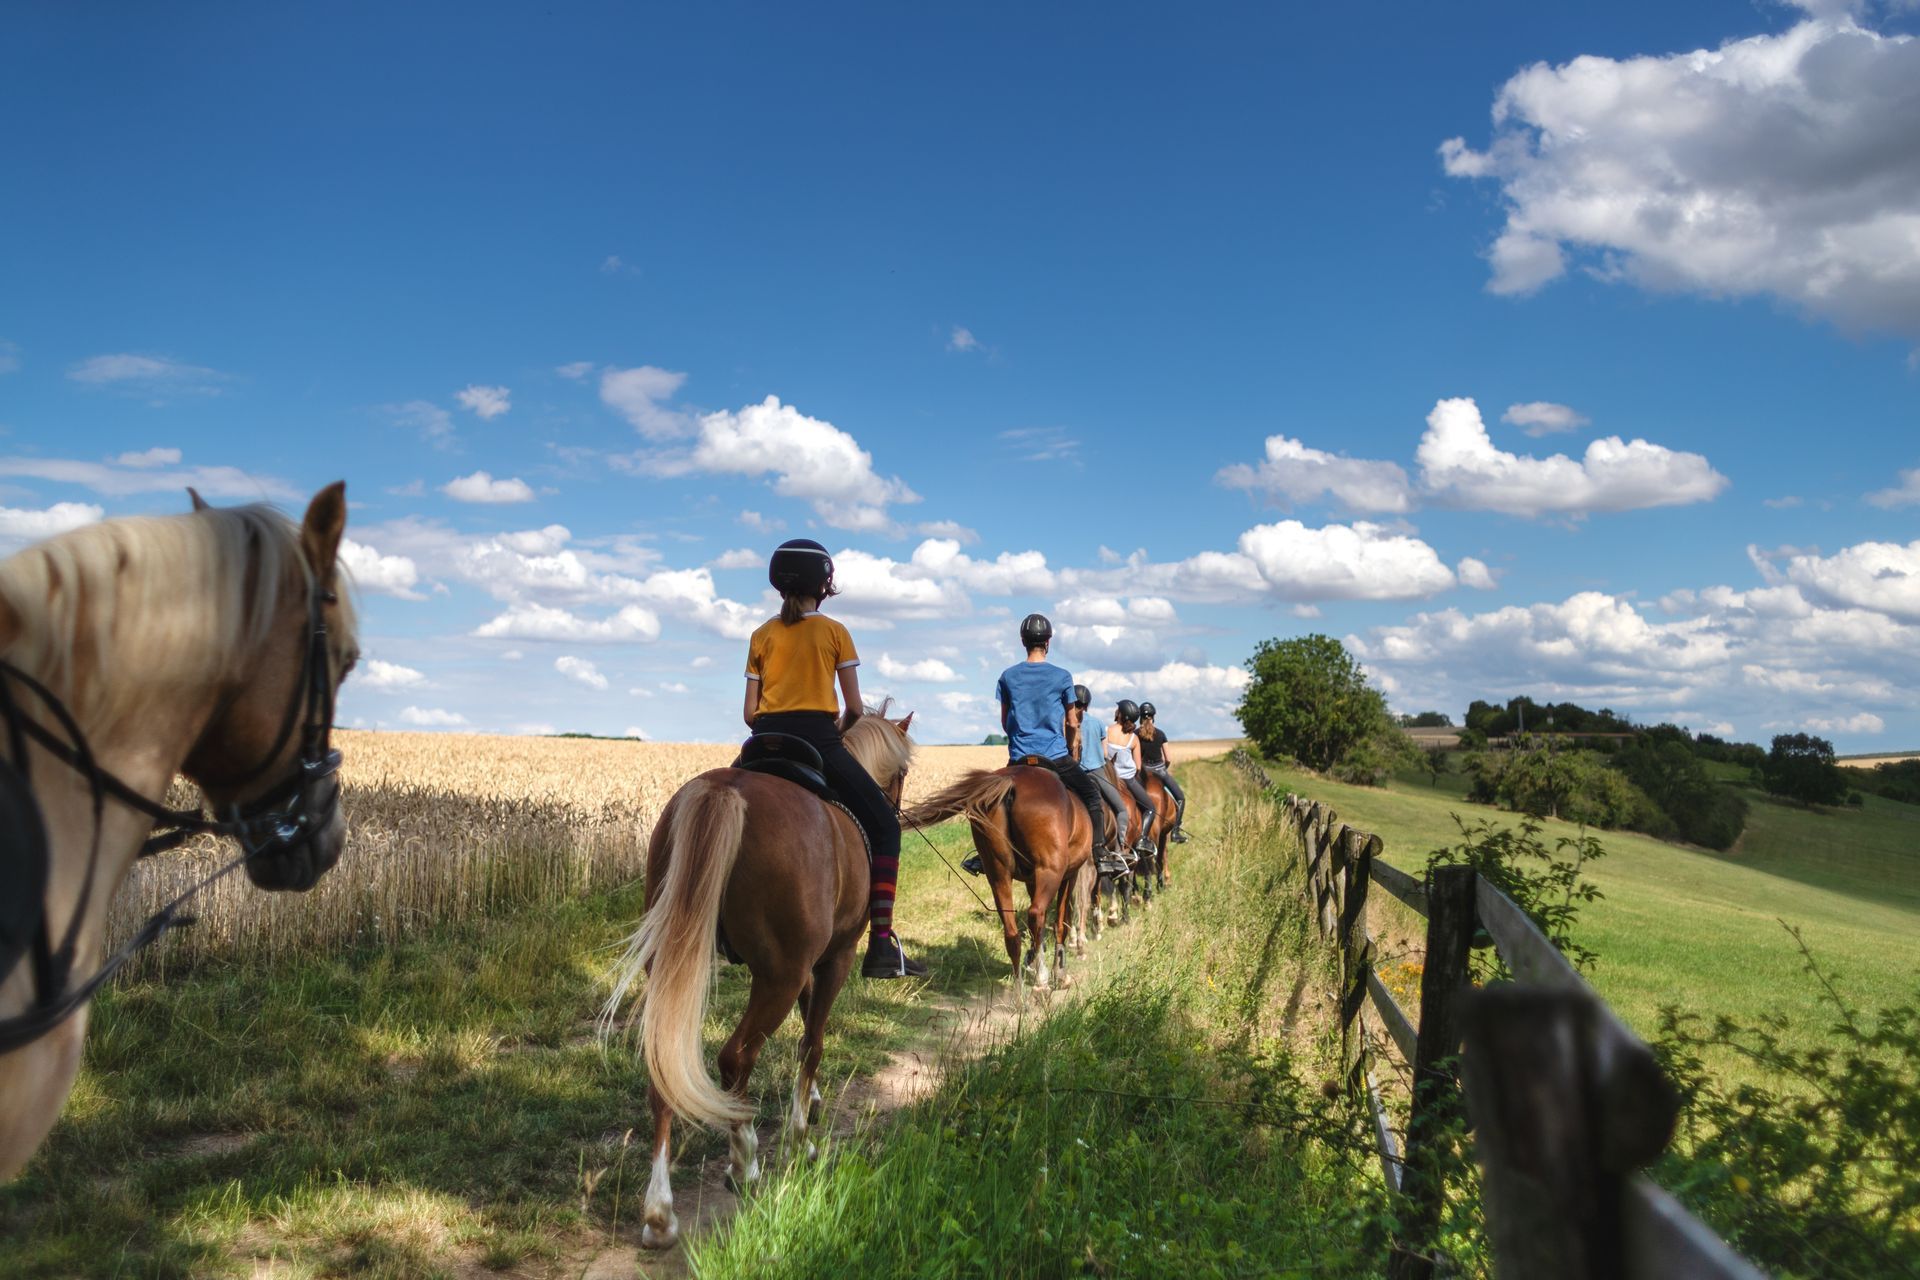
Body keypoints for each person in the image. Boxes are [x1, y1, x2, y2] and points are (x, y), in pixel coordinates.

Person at [744, 538, 924, 979]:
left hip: (760, 744)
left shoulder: (761, 635)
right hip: (818, 743)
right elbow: (857, 709)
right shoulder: (835, 632)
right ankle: (881, 944)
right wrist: (836, 734)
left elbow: (750, 714)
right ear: (823, 586)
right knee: (884, 826)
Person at [962, 613, 1107, 876]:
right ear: (1048, 642)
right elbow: (1073, 724)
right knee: (1092, 796)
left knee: (988, 804)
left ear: (1022, 641)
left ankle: (983, 857)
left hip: (1018, 758)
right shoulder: (1063, 676)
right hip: (1055, 756)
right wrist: (1070, 747)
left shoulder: (1007, 677)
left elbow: (1006, 722)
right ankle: (1101, 853)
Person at [1068, 684, 1131, 875]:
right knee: (1121, 809)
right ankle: (1119, 852)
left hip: (1070, 772)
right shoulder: (1096, 723)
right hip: (1096, 772)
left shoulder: (1064, 721)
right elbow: (1104, 754)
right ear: (1087, 705)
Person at [1104, 700, 1159, 857]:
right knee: (1150, 808)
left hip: (1108, 778)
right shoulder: (1133, 739)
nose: (1116, 711)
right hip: (1128, 780)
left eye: (1117, 709)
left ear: (1120, 714)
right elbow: (1138, 767)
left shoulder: (1107, 730)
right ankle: (1142, 839)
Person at [1136, 701, 1188, 843]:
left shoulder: (1135, 734)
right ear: (1153, 717)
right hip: (1160, 770)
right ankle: (1176, 831)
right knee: (1180, 798)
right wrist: (1163, 768)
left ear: (1140, 717)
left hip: (1142, 772)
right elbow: (1168, 758)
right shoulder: (1161, 734)